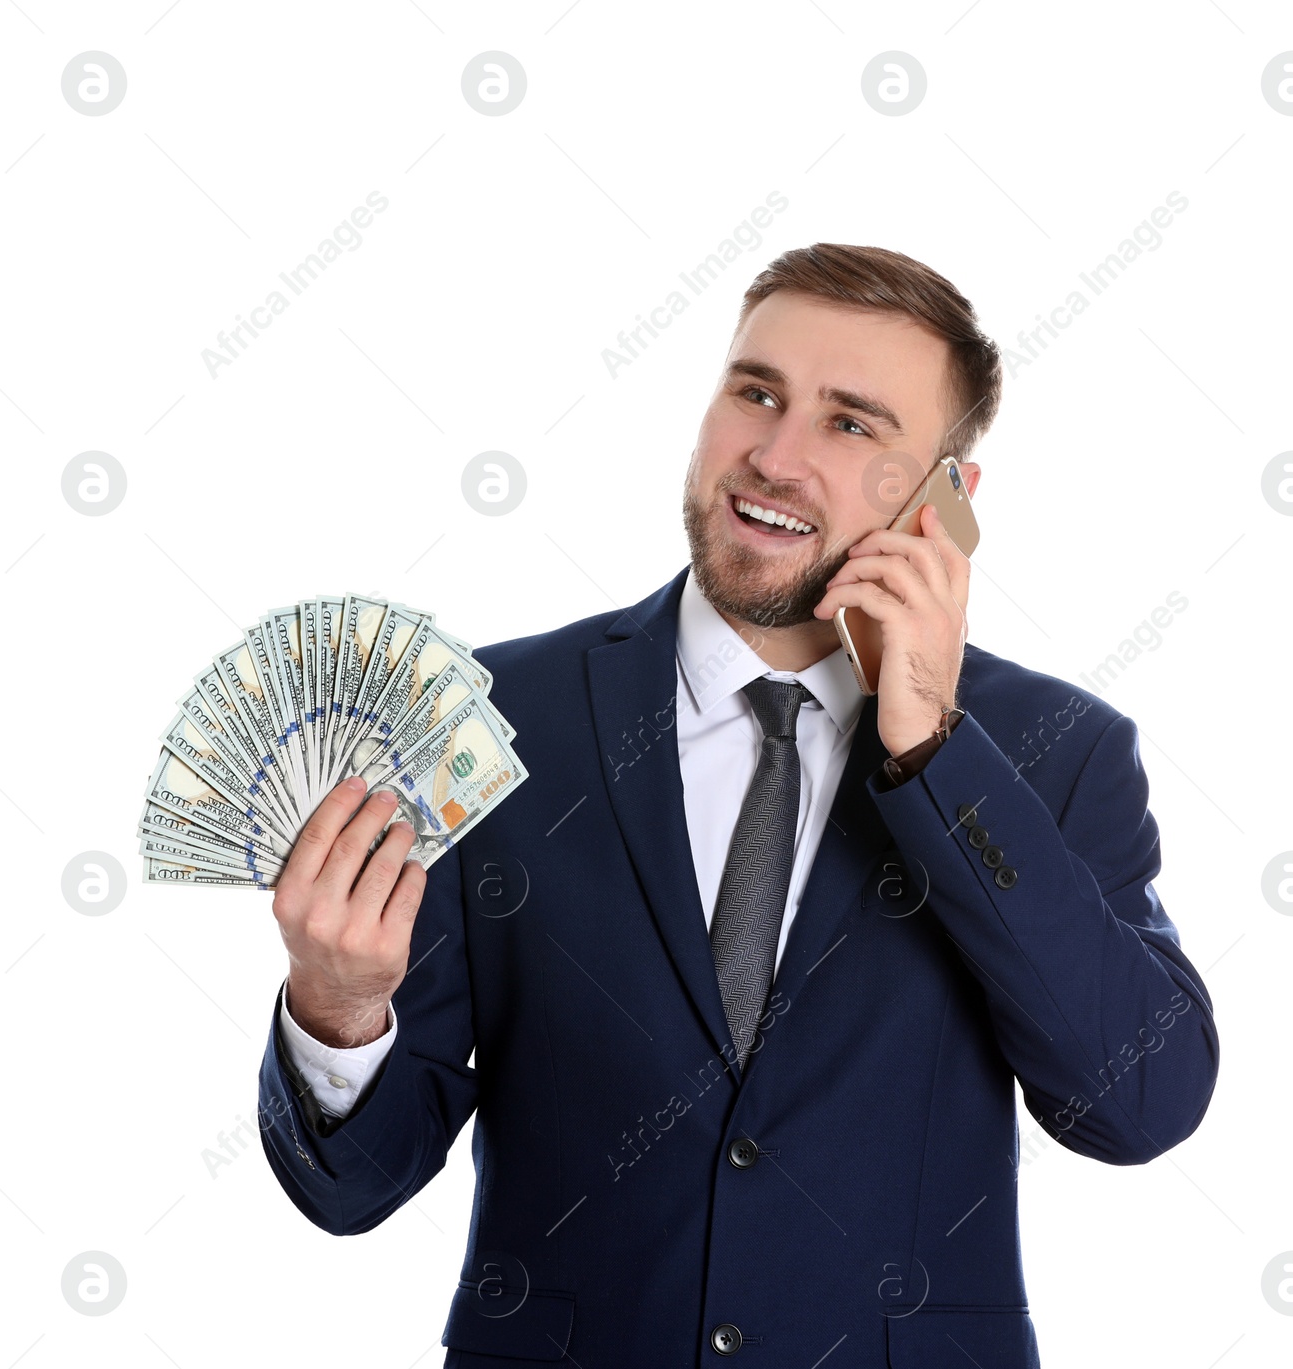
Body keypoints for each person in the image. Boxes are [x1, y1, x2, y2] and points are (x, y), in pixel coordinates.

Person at [258, 243, 1219, 1367]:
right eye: (755, 392)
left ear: (944, 502)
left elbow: (1138, 1105)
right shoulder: (488, 721)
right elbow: (353, 1191)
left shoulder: (1057, 755)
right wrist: (335, 1009)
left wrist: (936, 754)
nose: (773, 456)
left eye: (850, 424)